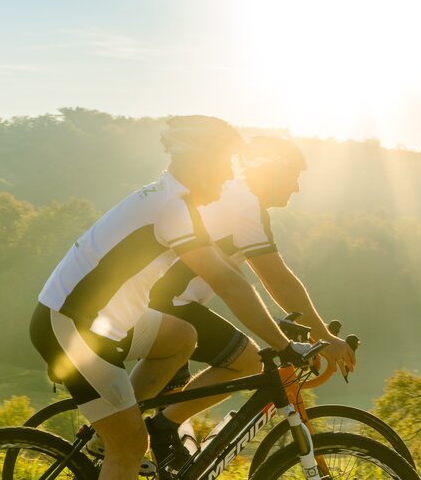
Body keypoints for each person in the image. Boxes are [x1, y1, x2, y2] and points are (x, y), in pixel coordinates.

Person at [30, 117, 311, 480]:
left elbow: (230, 278)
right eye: (225, 164)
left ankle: (110, 428)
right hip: (71, 325)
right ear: (202, 162)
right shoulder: (171, 209)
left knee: (181, 337)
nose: (229, 176)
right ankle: (116, 437)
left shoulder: (172, 201)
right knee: (131, 446)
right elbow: (230, 284)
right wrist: (283, 345)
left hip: (107, 320)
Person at [147, 136, 357, 445]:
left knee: (170, 406)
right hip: (168, 304)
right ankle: (155, 431)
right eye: (293, 177)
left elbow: (249, 283)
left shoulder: (233, 195)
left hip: (159, 302)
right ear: (271, 171)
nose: (296, 187)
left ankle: (114, 439)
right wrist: (323, 335)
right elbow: (278, 279)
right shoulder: (245, 204)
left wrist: (304, 328)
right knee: (245, 361)